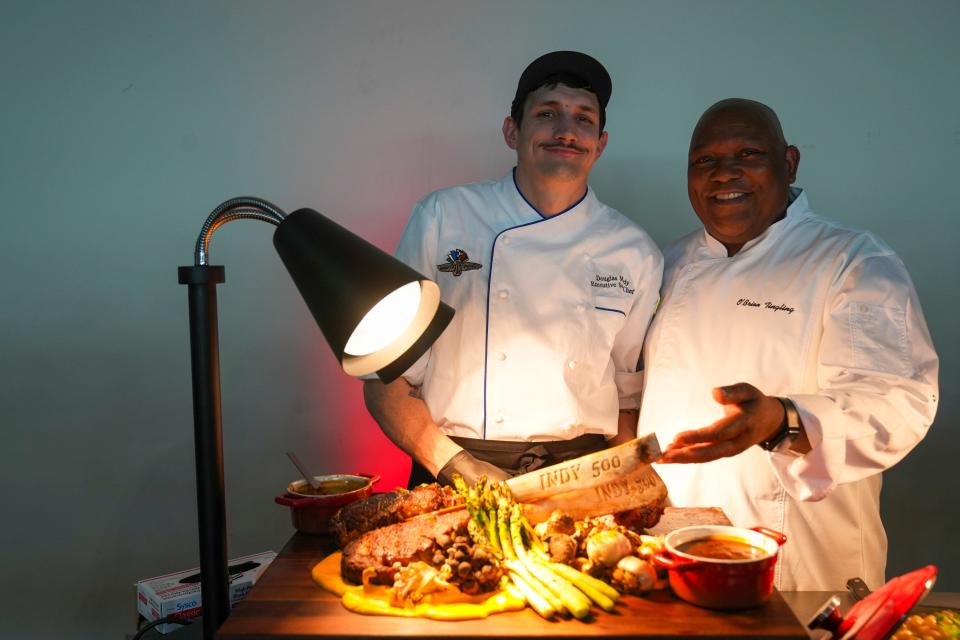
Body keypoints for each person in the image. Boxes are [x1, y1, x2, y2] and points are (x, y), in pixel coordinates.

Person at [637, 98, 939, 590]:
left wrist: (782, 421)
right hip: (676, 545)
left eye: (747, 154)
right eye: (705, 161)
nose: (724, 173)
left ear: (789, 161)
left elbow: (900, 403)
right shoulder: (668, 261)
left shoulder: (854, 261)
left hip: (800, 557)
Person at [363, 51, 663, 489]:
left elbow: (626, 395)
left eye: (583, 119)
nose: (566, 131)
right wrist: (454, 465)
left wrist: (634, 480)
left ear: (600, 143)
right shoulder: (443, 217)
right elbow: (386, 377)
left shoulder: (635, 251)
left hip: (583, 476)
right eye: (547, 113)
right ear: (512, 131)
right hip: (453, 467)